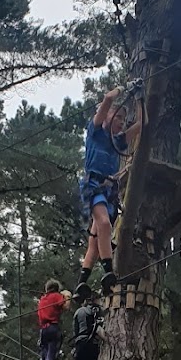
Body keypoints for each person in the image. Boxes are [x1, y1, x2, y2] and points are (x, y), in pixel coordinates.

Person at [74, 85, 142, 299]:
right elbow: (106, 101)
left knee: (96, 239)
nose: (121, 121)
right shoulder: (95, 131)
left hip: (109, 190)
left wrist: (140, 100)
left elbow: (142, 125)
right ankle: (108, 272)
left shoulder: (118, 140)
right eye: (118, 116)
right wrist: (119, 92)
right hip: (93, 184)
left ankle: (81, 284)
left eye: (123, 118)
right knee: (104, 224)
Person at [26, 279, 71, 360]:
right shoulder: (56, 296)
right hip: (52, 328)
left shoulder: (42, 299)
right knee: (52, 357)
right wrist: (68, 296)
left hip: (43, 331)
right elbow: (66, 307)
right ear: (56, 289)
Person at [72, 288, 104, 360]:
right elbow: (97, 328)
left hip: (79, 346)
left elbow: (75, 331)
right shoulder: (92, 312)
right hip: (91, 344)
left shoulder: (77, 313)